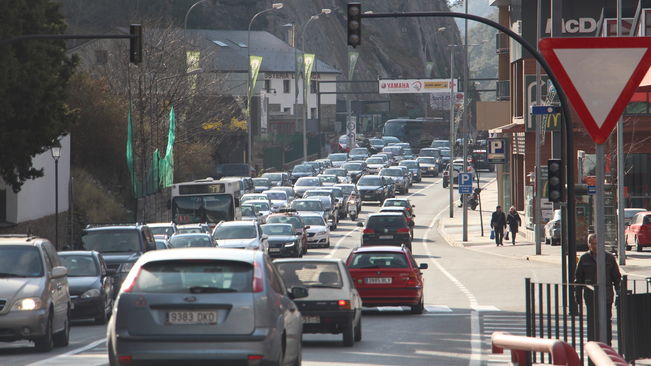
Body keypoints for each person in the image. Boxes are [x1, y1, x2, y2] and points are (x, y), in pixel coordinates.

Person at [574, 233, 621, 345]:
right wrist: (578, 297)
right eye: (594, 243)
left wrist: (619, 293)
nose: (596, 246)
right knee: (592, 321)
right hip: (591, 296)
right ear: (589, 244)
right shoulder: (584, 258)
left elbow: (616, 277)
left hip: (607, 295)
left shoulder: (609, 257)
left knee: (606, 320)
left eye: (598, 243)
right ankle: (593, 344)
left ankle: (607, 344)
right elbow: (578, 278)